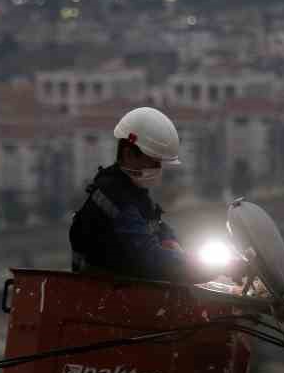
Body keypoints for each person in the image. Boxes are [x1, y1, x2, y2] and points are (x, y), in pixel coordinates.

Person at [69, 106, 198, 281]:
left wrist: (172, 243)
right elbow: (150, 257)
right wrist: (207, 267)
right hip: (101, 296)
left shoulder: (135, 194)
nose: (159, 170)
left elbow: (157, 227)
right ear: (129, 154)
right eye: (154, 162)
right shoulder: (113, 196)